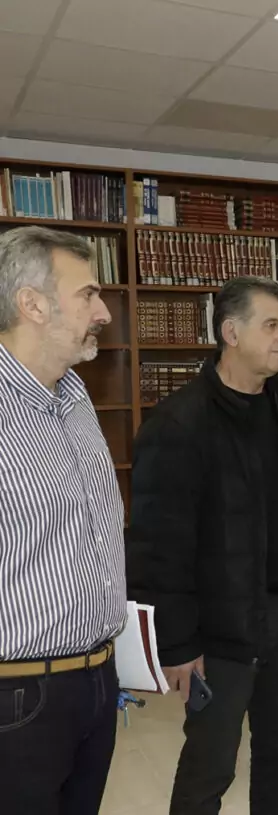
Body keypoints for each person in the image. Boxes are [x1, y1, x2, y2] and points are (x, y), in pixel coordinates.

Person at [128, 276, 278, 815]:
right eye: (271, 325)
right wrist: (178, 644)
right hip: (223, 626)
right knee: (211, 763)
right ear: (230, 332)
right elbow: (159, 546)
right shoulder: (179, 423)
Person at [0, 226, 126, 814]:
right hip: (16, 696)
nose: (104, 312)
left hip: (97, 678)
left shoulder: (74, 396)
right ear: (32, 304)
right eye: (88, 294)